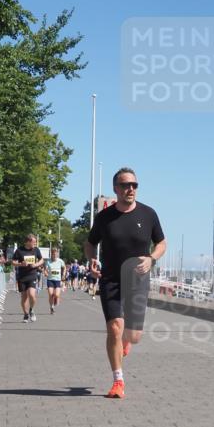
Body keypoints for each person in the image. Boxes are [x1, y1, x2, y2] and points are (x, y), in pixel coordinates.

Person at [85, 167, 166, 399]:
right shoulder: (104, 217)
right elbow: (90, 243)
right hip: (110, 278)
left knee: (133, 336)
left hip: (138, 279)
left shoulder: (148, 214)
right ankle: (118, 381)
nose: (130, 189)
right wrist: (92, 258)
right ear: (116, 189)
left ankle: (126, 343)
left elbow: (161, 243)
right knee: (114, 328)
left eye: (134, 185)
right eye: (125, 185)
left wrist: (152, 259)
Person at [12, 234, 44, 323]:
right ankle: (25, 314)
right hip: (22, 276)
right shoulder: (19, 250)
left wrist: (36, 265)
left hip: (32, 275)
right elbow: (13, 262)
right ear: (28, 241)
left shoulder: (36, 250)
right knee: (24, 298)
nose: (35, 243)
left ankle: (31, 309)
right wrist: (20, 264)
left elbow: (41, 260)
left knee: (32, 295)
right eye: (34, 242)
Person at [44, 247, 65, 314]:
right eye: (53, 254)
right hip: (50, 279)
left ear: (57, 254)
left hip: (57, 280)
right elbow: (45, 269)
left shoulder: (60, 261)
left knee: (56, 295)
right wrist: (45, 272)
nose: (55, 255)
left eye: (56, 254)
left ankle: (56, 298)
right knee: (50, 294)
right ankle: (51, 307)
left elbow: (64, 267)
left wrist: (64, 274)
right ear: (51, 254)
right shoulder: (48, 261)